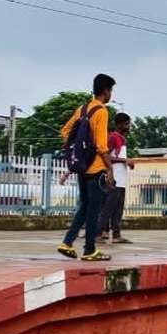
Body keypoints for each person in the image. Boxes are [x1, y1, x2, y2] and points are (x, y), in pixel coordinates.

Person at [56, 73, 116, 261]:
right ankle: (90, 250)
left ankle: (67, 242)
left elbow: (65, 132)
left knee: (84, 207)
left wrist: (78, 150)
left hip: (81, 167)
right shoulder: (101, 111)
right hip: (96, 168)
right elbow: (101, 145)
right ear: (106, 91)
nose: (111, 94)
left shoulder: (82, 109)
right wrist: (109, 169)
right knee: (93, 210)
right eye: (111, 90)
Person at [98, 112, 133, 244]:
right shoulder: (113, 137)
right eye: (126, 124)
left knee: (118, 209)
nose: (128, 126)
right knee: (108, 208)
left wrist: (126, 162)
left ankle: (117, 234)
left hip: (122, 179)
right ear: (119, 124)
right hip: (115, 177)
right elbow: (105, 155)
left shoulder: (122, 139)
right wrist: (124, 160)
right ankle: (99, 233)